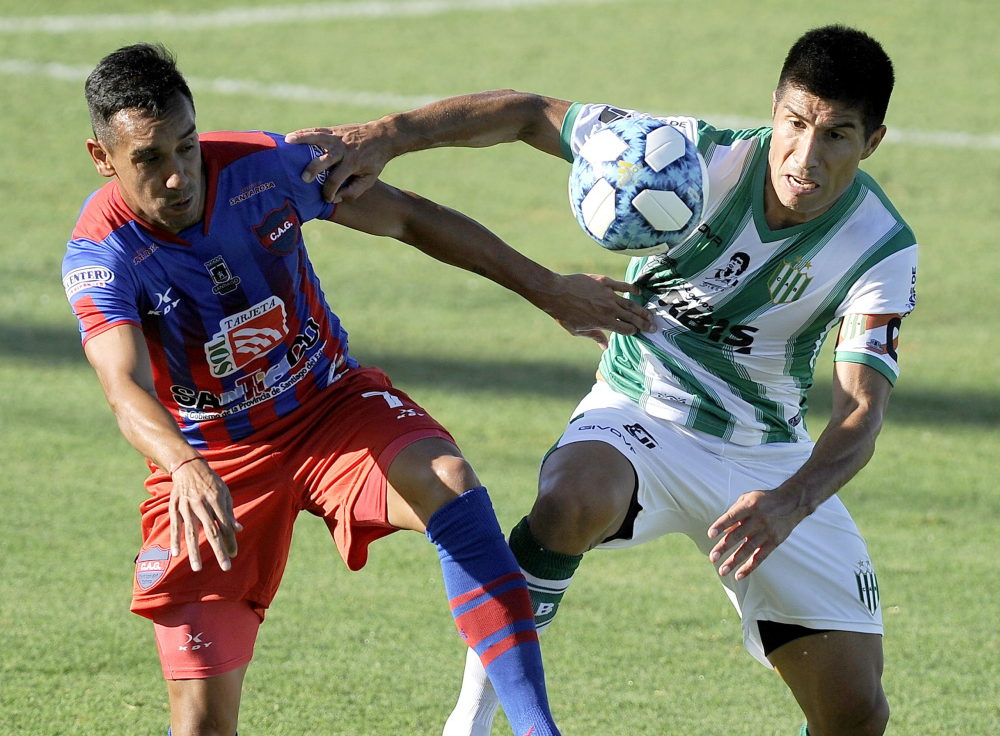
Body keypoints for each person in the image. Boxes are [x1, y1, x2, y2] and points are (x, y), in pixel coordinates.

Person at [287, 24, 918, 736]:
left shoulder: (881, 248)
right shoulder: (689, 156)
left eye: (836, 135)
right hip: (639, 408)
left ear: (872, 143)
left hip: (766, 458)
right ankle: (473, 720)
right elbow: (528, 112)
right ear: (774, 109)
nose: (805, 156)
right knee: (572, 497)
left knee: (856, 714)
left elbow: (861, 413)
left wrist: (788, 501)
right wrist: (385, 136)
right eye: (796, 124)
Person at [61, 43, 657, 736]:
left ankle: (533, 729)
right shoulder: (101, 254)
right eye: (149, 159)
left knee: (448, 478)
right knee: (200, 724)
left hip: (328, 408)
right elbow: (122, 387)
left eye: (186, 146)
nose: (176, 176)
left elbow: (407, 217)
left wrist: (548, 288)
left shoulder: (266, 169)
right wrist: (186, 466)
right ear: (103, 158)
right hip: (211, 463)